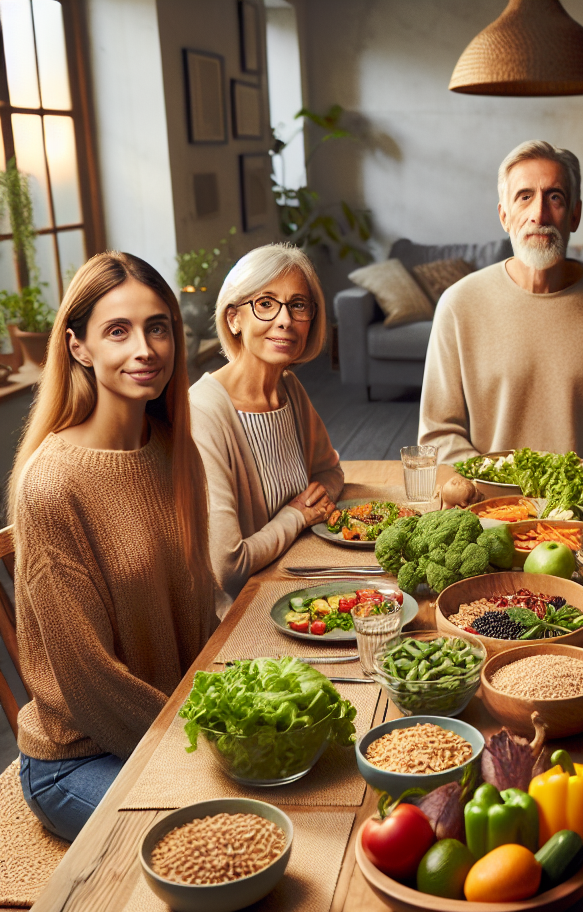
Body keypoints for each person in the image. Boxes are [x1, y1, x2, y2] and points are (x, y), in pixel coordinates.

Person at [10, 251, 216, 843]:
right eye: (118, 331)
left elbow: (196, 610)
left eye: (158, 327)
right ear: (79, 347)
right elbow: (88, 683)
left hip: (169, 724)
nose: (144, 349)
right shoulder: (52, 484)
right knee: (219, 836)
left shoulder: (175, 452)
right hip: (79, 757)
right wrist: (205, 742)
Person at [418, 139, 583, 464]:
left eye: (555, 197)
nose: (539, 214)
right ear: (504, 216)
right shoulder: (457, 306)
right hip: (486, 502)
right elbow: (439, 434)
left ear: (575, 215)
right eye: (524, 197)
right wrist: (499, 486)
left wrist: (580, 486)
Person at [191, 244, 344, 617]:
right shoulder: (204, 411)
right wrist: (296, 516)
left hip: (298, 584)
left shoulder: (289, 388)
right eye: (265, 303)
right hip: (244, 616)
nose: (285, 320)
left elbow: (331, 471)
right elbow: (228, 567)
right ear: (234, 319)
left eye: (298, 305)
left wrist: (313, 501)